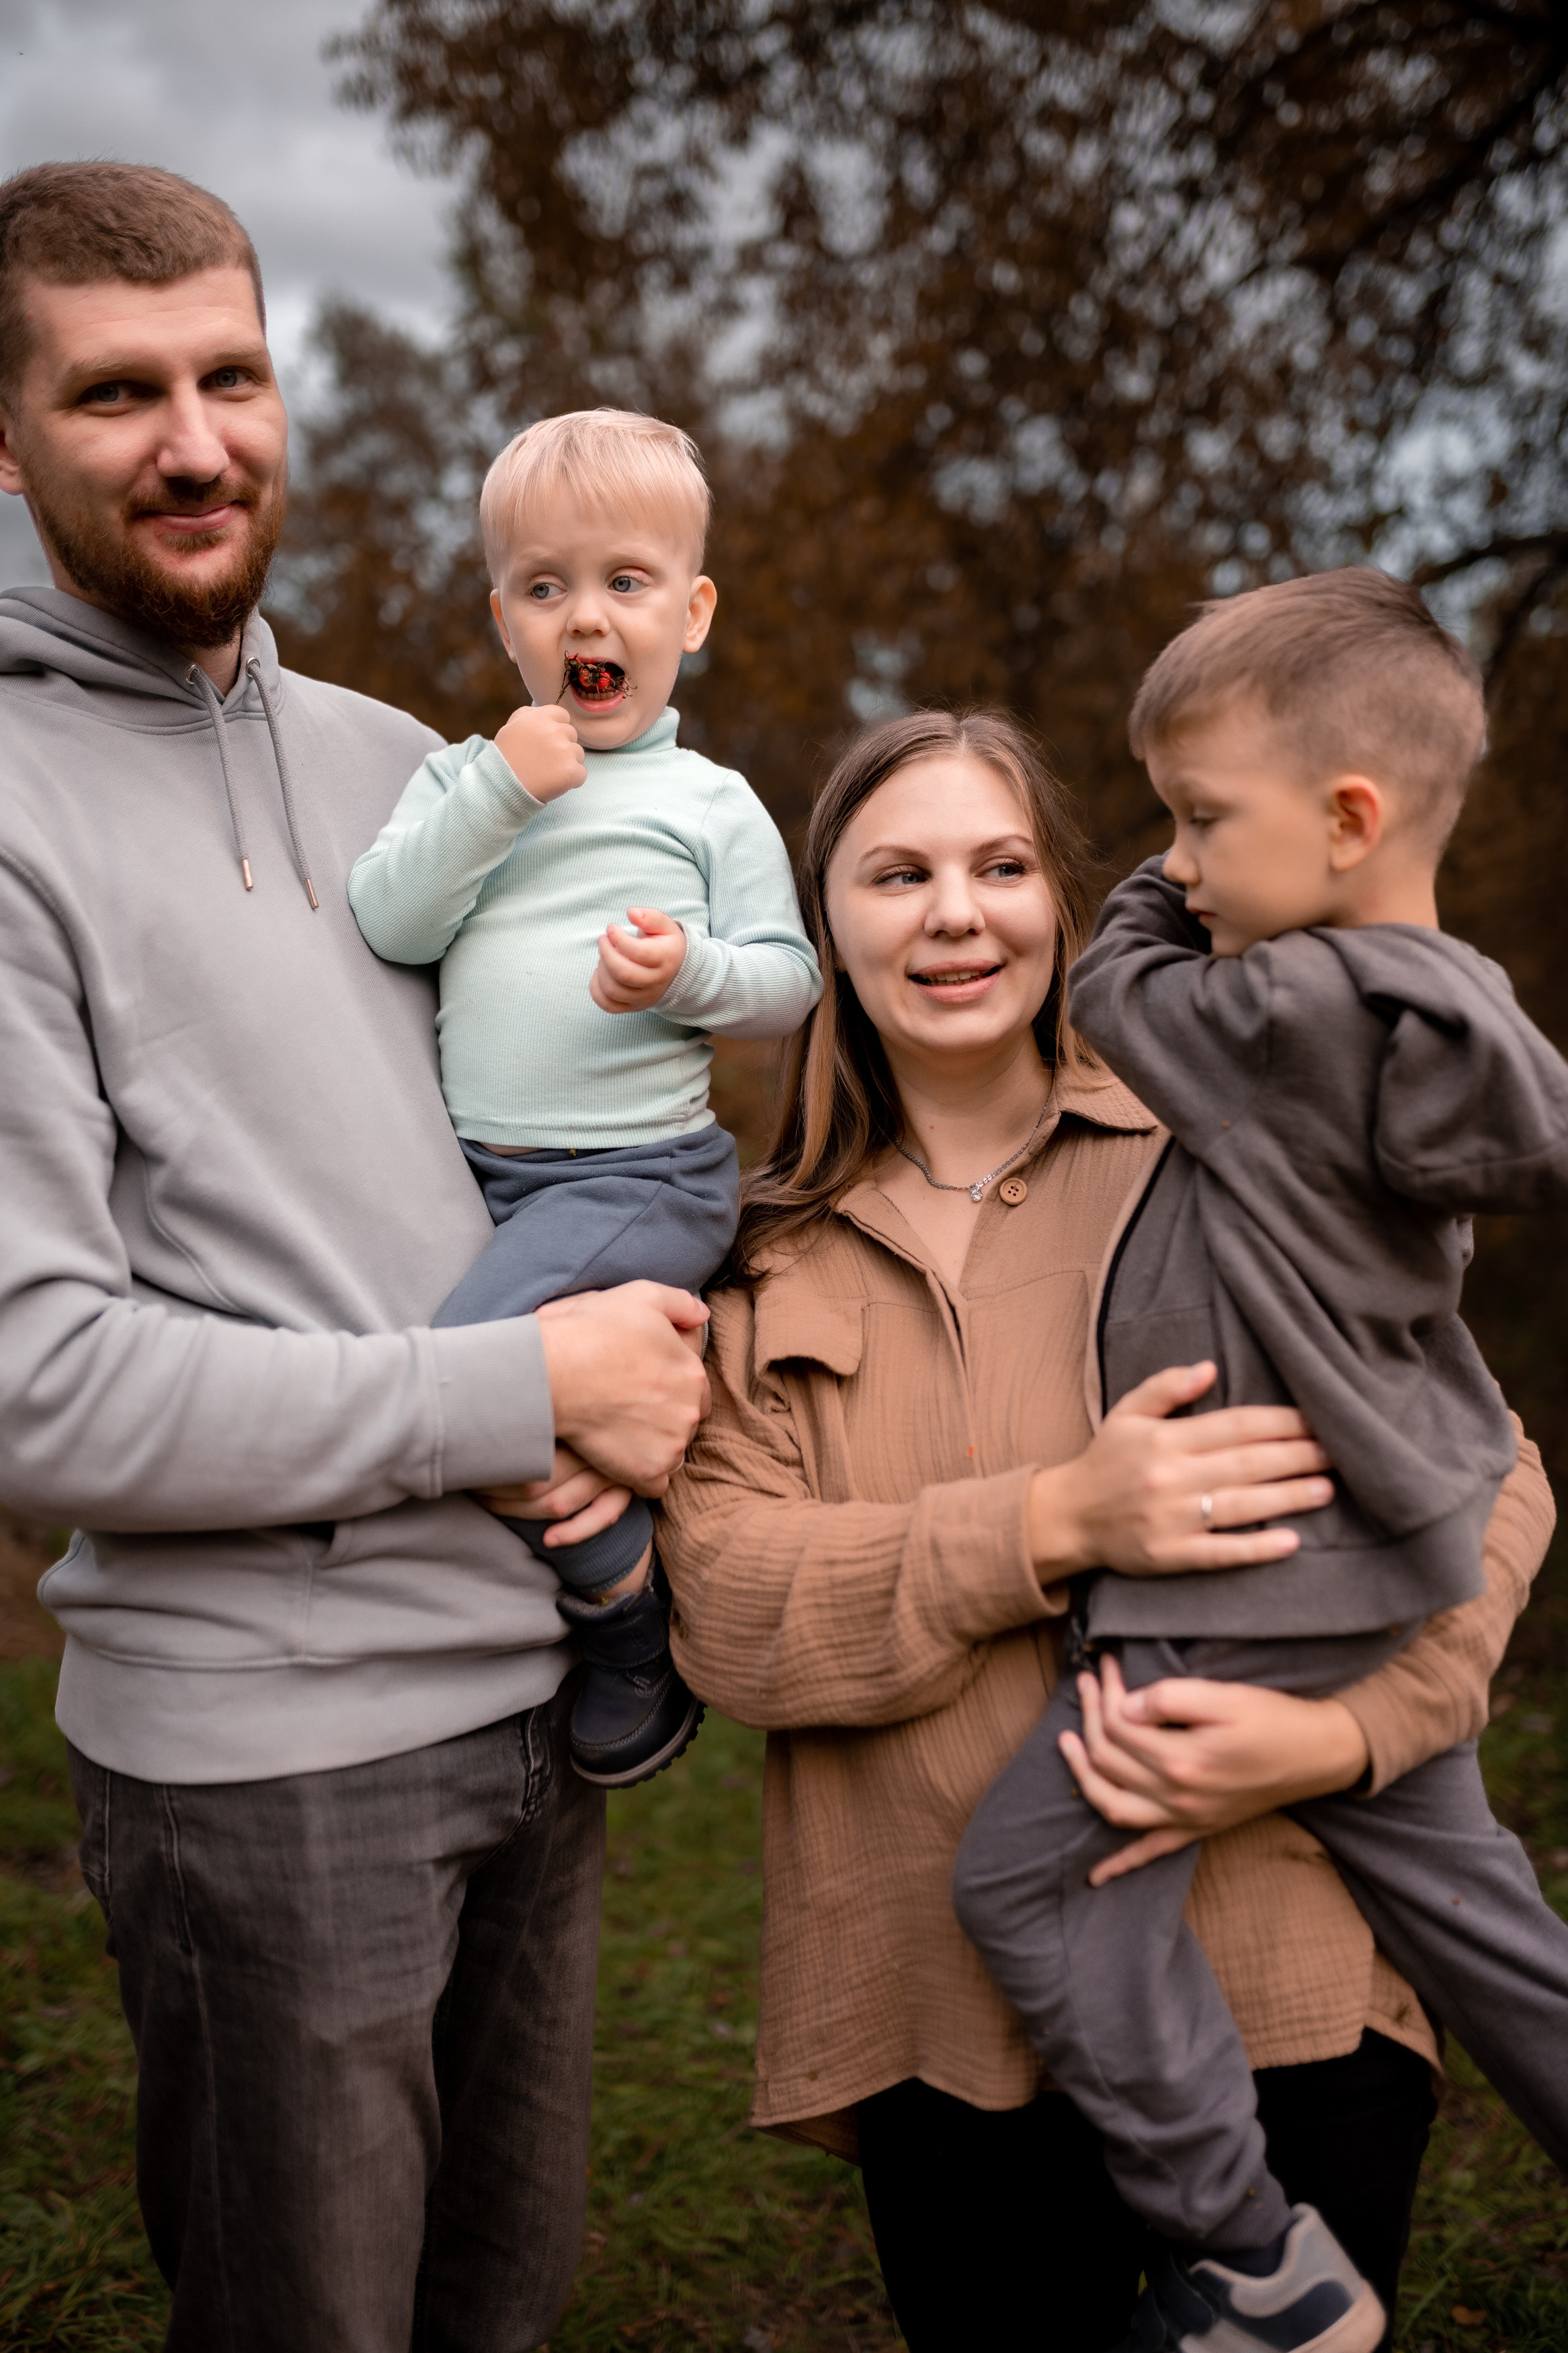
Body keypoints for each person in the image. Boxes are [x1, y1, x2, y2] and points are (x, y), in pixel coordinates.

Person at [0, 161, 708, 2353]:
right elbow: (39, 1387)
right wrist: (531, 1392)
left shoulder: (409, 765)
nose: (197, 440)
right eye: (121, 392)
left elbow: (541, 1154)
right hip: (263, 1779)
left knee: (501, 2312)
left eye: (232, 373)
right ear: (8, 432)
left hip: (539, 1713)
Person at [655, 707, 1555, 2353]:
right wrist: (1055, 1519)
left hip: (1285, 1974)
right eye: (897, 871)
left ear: (1064, 906)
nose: (954, 913)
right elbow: (724, 1605)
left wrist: (1347, 1731)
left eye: (1001, 867)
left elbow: (1487, 1474)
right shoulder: (755, 1256)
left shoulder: (1234, 1145)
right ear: (821, 924)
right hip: (934, 2013)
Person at [950, 571, 1568, 2353]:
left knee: (1029, 1874)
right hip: (1372, 1556)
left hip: (1244, 1565)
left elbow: (1118, 982)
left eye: (1202, 816)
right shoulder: (1430, 1017)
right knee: (1480, 1919)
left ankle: (1250, 2260)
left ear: (1347, 821)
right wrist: (1218, 823)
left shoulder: (1283, 1008)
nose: (1184, 857)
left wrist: (1150, 887)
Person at [347, 408, 819, 1786]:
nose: (584, 615)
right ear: (504, 619)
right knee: (490, 1380)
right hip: (482, 1177)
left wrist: (686, 974)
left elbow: (788, 982)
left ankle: (625, 1618)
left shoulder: (707, 801)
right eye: (545, 587)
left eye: (625, 581)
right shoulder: (464, 776)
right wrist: (500, 790)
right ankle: (602, 1509)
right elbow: (392, 921)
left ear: (694, 609)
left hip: (634, 1174)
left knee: (465, 1372)